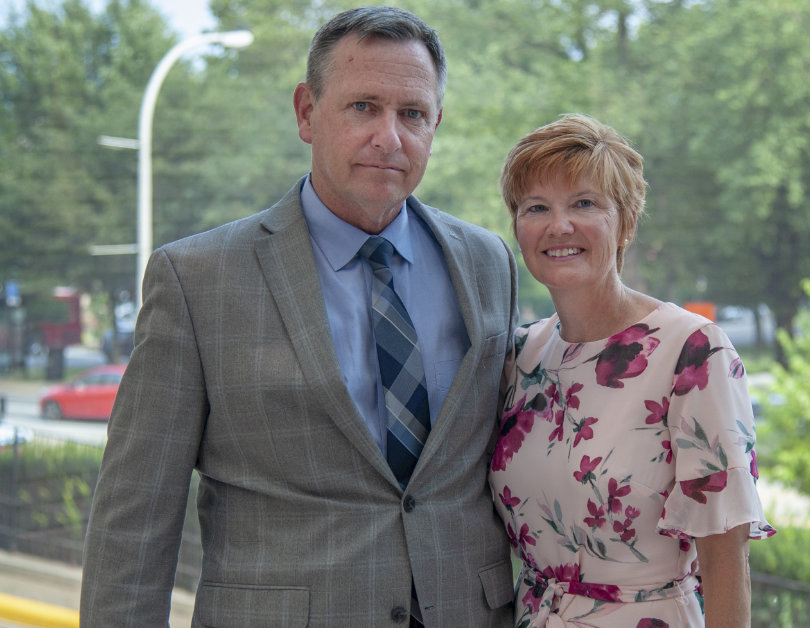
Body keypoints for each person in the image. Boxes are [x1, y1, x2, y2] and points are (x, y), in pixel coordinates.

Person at [81, 6, 517, 627]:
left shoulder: (488, 262)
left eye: (412, 114)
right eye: (363, 107)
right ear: (307, 113)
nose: (389, 137)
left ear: (436, 123)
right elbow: (136, 512)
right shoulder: (197, 279)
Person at [488, 114, 774, 627]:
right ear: (517, 228)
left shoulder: (691, 350)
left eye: (584, 204)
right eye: (537, 207)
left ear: (626, 222)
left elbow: (726, 557)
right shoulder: (520, 355)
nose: (559, 225)